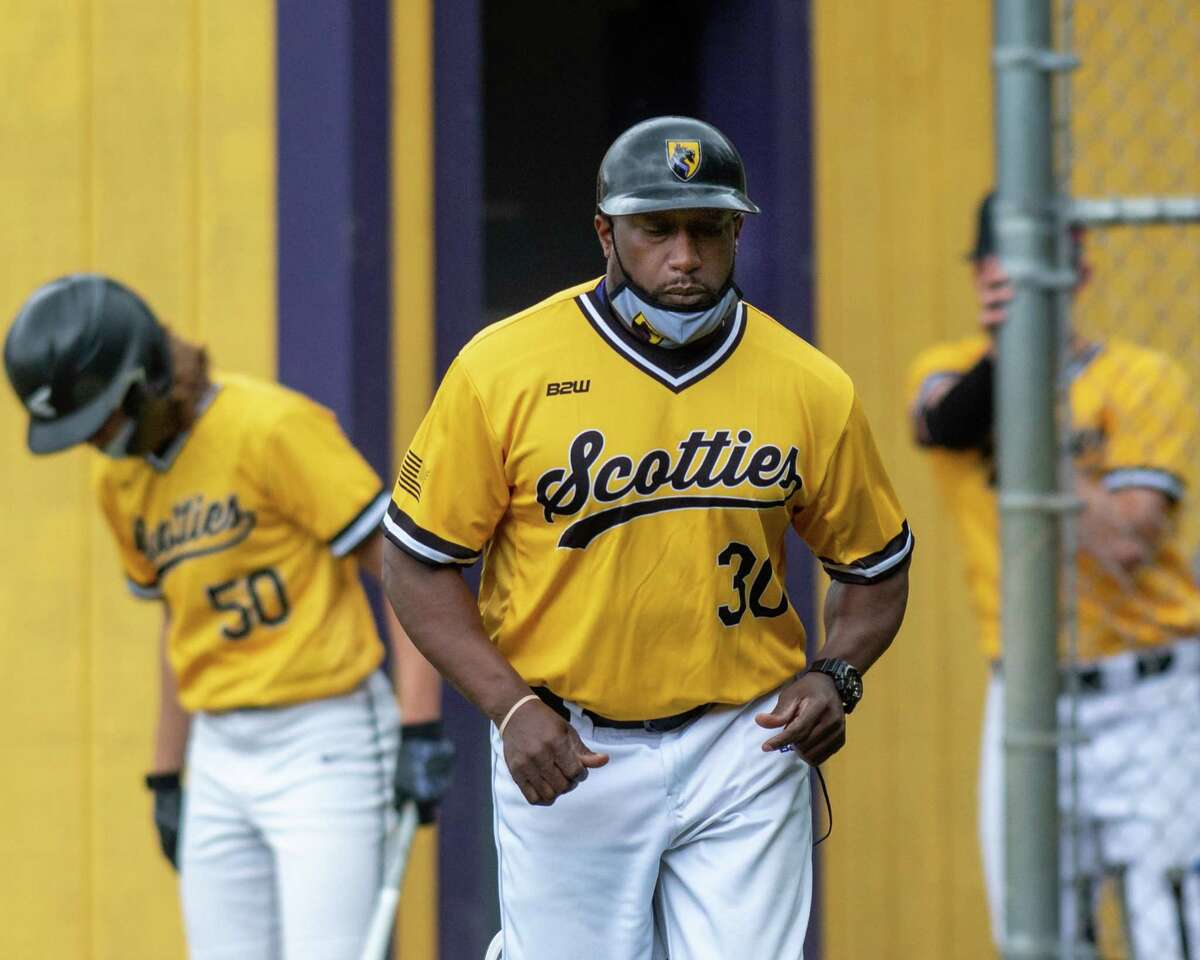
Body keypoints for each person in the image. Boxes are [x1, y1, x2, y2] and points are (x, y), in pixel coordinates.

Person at [381, 115, 913, 960]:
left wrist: (838, 674)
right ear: (606, 232)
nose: (685, 255)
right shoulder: (503, 367)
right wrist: (508, 705)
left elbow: (876, 565)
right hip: (569, 741)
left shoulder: (810, 384)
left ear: (737, 230)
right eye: (656, 229)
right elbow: (416, 561)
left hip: (746, 735)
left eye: (707, 229)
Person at [3, 274, 455, 960]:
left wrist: (419, 724)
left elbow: (403, 570)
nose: (93, 441)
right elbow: (176, 621)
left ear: (146, 378)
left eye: (98, 418)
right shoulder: (117, 480)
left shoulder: (272, 428)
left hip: (323, 737)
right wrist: (165, 773)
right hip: (218, 747)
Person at [908, 193, 1200, 956]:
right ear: (980, 279)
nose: (1023, 284)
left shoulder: (1142, 377)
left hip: (1156, 698)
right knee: (1037, 938)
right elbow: (944, 424)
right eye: (1005, 270)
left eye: (1042, 271)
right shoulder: (945, 370)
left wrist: (1040, 442)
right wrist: (1015, 347)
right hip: (1029, 698)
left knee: (1175, 933)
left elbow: (1128, 541)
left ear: (1082, 272)